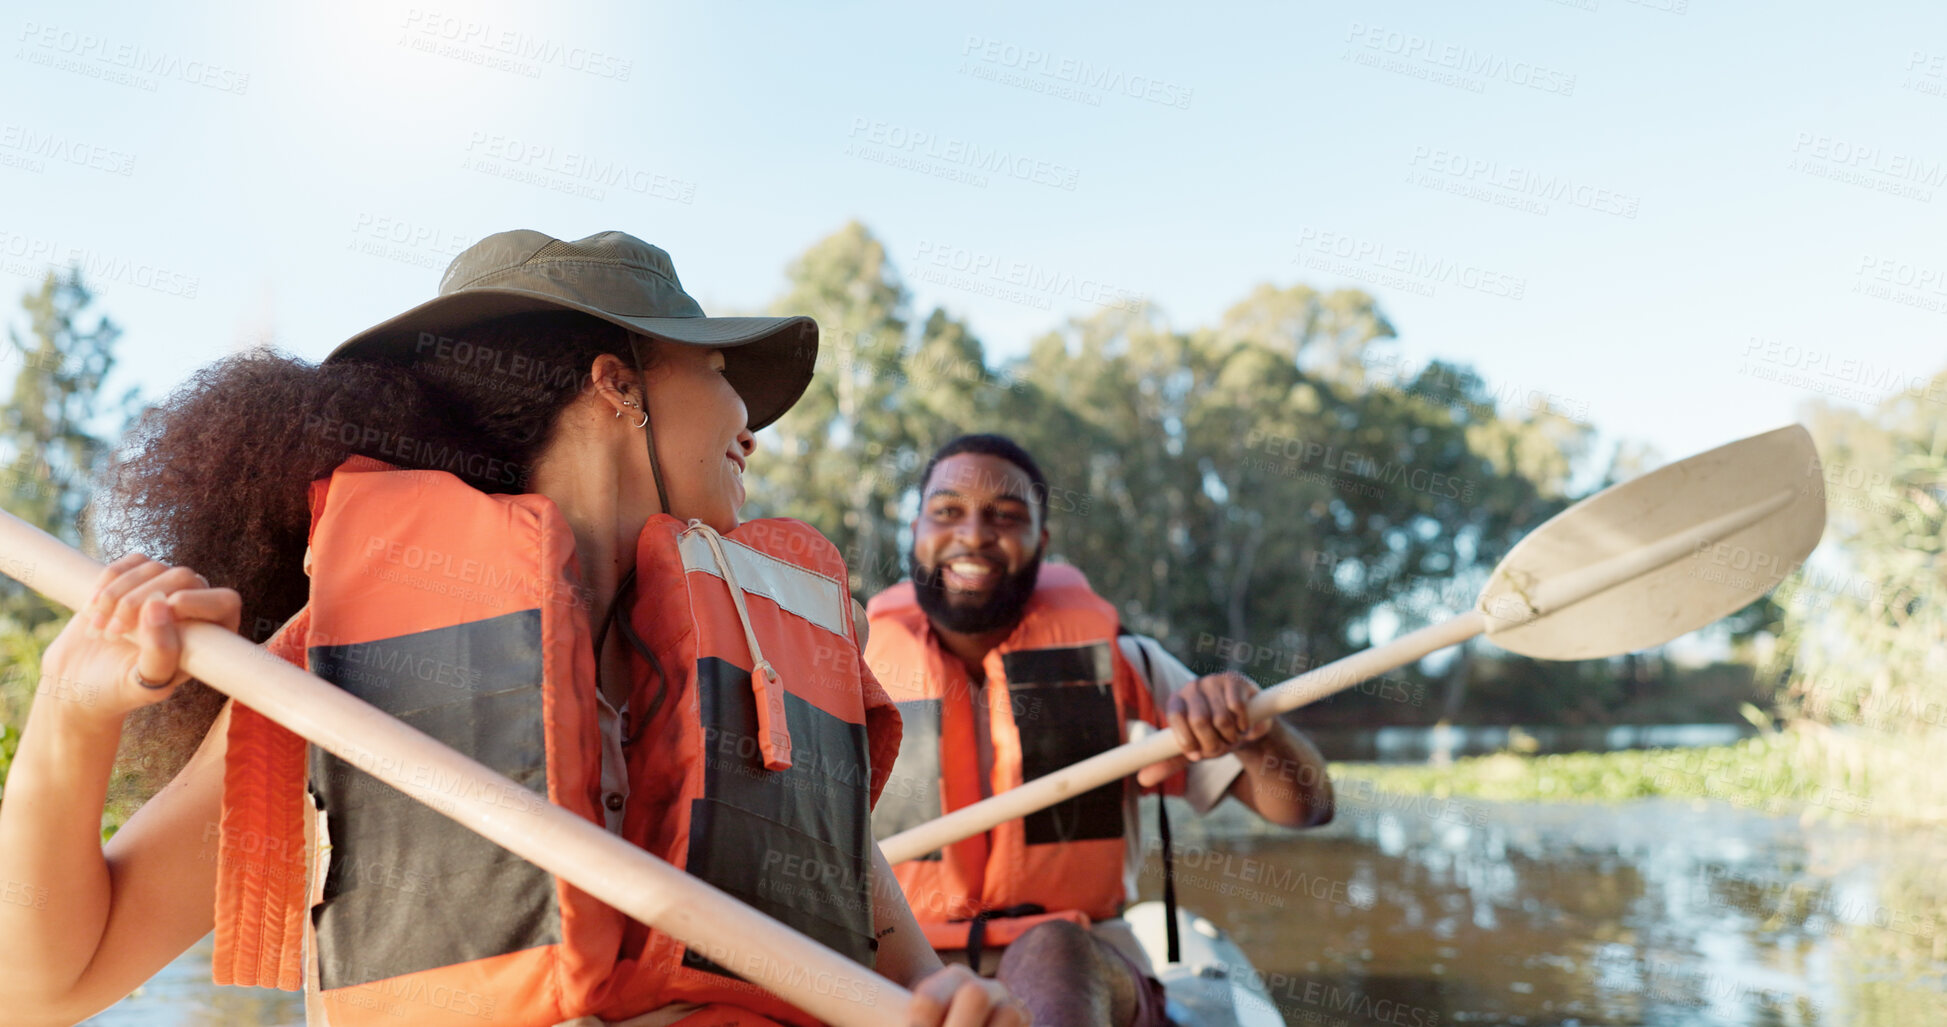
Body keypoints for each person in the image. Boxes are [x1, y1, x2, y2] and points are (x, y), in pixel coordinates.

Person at [0, 230, 1024, 1027]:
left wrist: (952, 1005)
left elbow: (914, 992)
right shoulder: (346, 678)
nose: (748, 426)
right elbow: (44, 989)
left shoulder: (764, 681)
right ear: (616, 385)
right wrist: (69, 711)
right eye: (716, 374)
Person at [866, 433, 1336, 1027]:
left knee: (1052, 946)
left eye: (1006, 516)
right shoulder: (848, 670)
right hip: (902, 972)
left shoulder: (1129, 663)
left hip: (1085, 969)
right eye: (948, 511)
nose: (975, 534)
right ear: (916, 530)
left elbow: (1306, 806)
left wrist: (1255, 730)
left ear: (1042, 540)